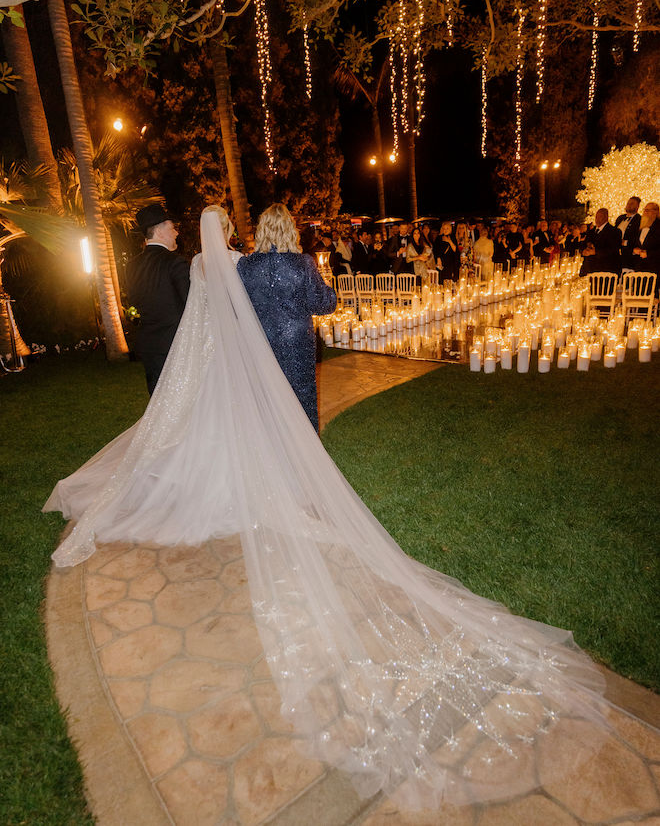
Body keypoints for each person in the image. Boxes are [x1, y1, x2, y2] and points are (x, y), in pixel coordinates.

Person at [45, 206, 627, 814]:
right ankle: (301, 478)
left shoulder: (241, 273)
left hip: (255, 357)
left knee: (268, 422)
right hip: (294, 354)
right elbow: (324, 303)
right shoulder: (298, 264)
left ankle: (281, 471)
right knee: (301, 419)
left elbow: (226, 314)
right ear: (290, 233)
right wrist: (315, 290)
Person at [237, 204, 336, 432]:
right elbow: (322, 304)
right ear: (290, 229)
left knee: (265, 396)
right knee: (301, 395)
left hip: (260, 342)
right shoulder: (303, 263)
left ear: (262, 229)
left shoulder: (245, 266)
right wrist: (330, 289)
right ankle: (306, 448)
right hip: (296, 342)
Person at [126, 203, 190, 395]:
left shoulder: (132, 265)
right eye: (172, 228)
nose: (176, 233)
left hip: (149, 345)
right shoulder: (175, 262)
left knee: (157, 404)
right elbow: (191, 303)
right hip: (176, 344)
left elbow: (134, 300)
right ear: (160, 231)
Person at [580, 208, 621, 276]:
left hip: (605, 270)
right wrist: (584, 251)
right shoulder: (591, 231)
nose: (597, 219)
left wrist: (595, 252)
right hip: (589, 269)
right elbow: (583, 244)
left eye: (600, 216)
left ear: (606, 217)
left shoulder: (614, 231)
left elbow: (613, 250)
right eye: (596, 216)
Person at [632, 201, 660, 289]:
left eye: (648, 210)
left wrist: (649, 254)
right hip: (639, 268)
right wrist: (634, 250)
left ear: (655, 212)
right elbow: (634, 243)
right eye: (644, 210)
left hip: (654, 268)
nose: (645, 213)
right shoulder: (640, 226)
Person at [615, 196, 642, 272]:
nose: (629, 205)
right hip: (617, 255)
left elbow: (639, 237)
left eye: (632, 203)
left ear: (637, 206)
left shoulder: (639, 220)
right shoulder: (620, 218)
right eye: (628, 203)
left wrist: (625, 242)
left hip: (629, 256)